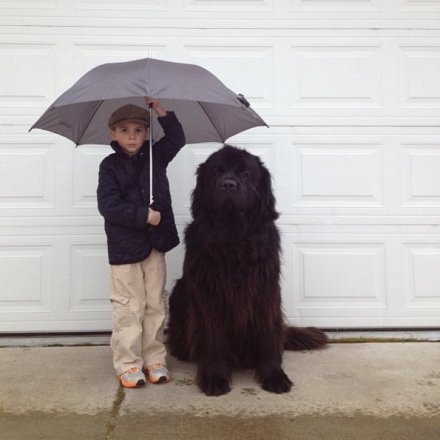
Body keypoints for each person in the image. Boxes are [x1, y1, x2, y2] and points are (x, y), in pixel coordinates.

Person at [97, 98, 185, 388]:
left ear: (147, 132)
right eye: (124, 130)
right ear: (113, 134)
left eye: (138, 129)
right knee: (128, 307)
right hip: (125, 249)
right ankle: (128, 363)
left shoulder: (156, 156)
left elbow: (177, 138)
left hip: (155, 246)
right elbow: (108, 206)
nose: (132, 136)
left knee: (155, 304)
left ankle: (154, 358)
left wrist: (160, 110)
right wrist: (143, 215)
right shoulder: (109, 166)